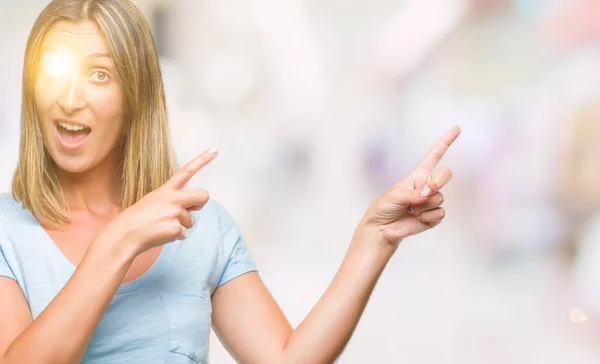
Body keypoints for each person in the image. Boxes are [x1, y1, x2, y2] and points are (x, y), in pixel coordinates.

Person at [0, 0, 460, 363]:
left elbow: (286, 359)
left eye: (98, 75)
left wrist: (374, 239)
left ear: (136, 95)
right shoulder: (6, 232)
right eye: (53, 71)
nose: (69, 97)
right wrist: (116, 243)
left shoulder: (203, 230)